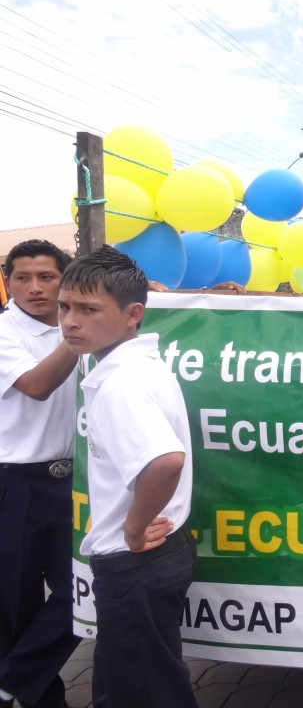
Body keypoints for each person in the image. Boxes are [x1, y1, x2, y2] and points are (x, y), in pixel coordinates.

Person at [57, 246, 198, 708]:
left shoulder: (121, 384)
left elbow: (165, 461)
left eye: (88, 310)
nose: (70, 321)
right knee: (138, 681)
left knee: (141, 691)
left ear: (133, 314)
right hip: (157, 555)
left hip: (137, 559)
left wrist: (133, 529)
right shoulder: (134, 367)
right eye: (65, 307)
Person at [0, 240, 81, 708]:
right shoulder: (6, 332)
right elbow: (36, 385)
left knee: (87, 591)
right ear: (8, 281)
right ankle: (42, 697)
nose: (34, 288)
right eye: (22, 278)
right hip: (16, 485)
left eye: (47, 277)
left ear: (63, 281)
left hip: (74, 484)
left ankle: (11, 680)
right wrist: (82, 331)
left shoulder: (80, 321)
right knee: (17, 606)